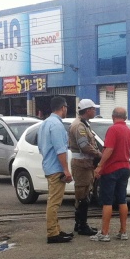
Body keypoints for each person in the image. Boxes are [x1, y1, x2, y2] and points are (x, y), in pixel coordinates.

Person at [92, 106, 130, 241]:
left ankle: (104, 233)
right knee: (122, 200)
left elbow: (109, 149)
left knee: (107, 201)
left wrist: (100, 166)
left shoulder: (113, 129)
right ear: (125, 118)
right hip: (125, 167)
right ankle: (123, 231)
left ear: (113, 117)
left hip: (111, 169)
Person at [39, 97, 74, 244]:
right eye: (66, 107)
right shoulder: (57, 125)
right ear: (63, 108)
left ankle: (56, 229)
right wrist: (66, 170)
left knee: (54, 200)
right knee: (54, 202)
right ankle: (52, 233)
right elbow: (60, 150)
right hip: (56, 168)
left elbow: (41, 146)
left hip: (48, 165)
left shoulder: (45, 123)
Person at [68, 98, 102, 236]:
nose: (95, 111)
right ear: (88, 110)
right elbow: (84, 146)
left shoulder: (84, 124)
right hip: (82, 165)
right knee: (82, 195)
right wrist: (99, 154)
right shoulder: (79, 126)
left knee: (85, 193)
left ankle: (80, 224)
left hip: (86, 164)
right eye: (94, 109)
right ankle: (82, 225)